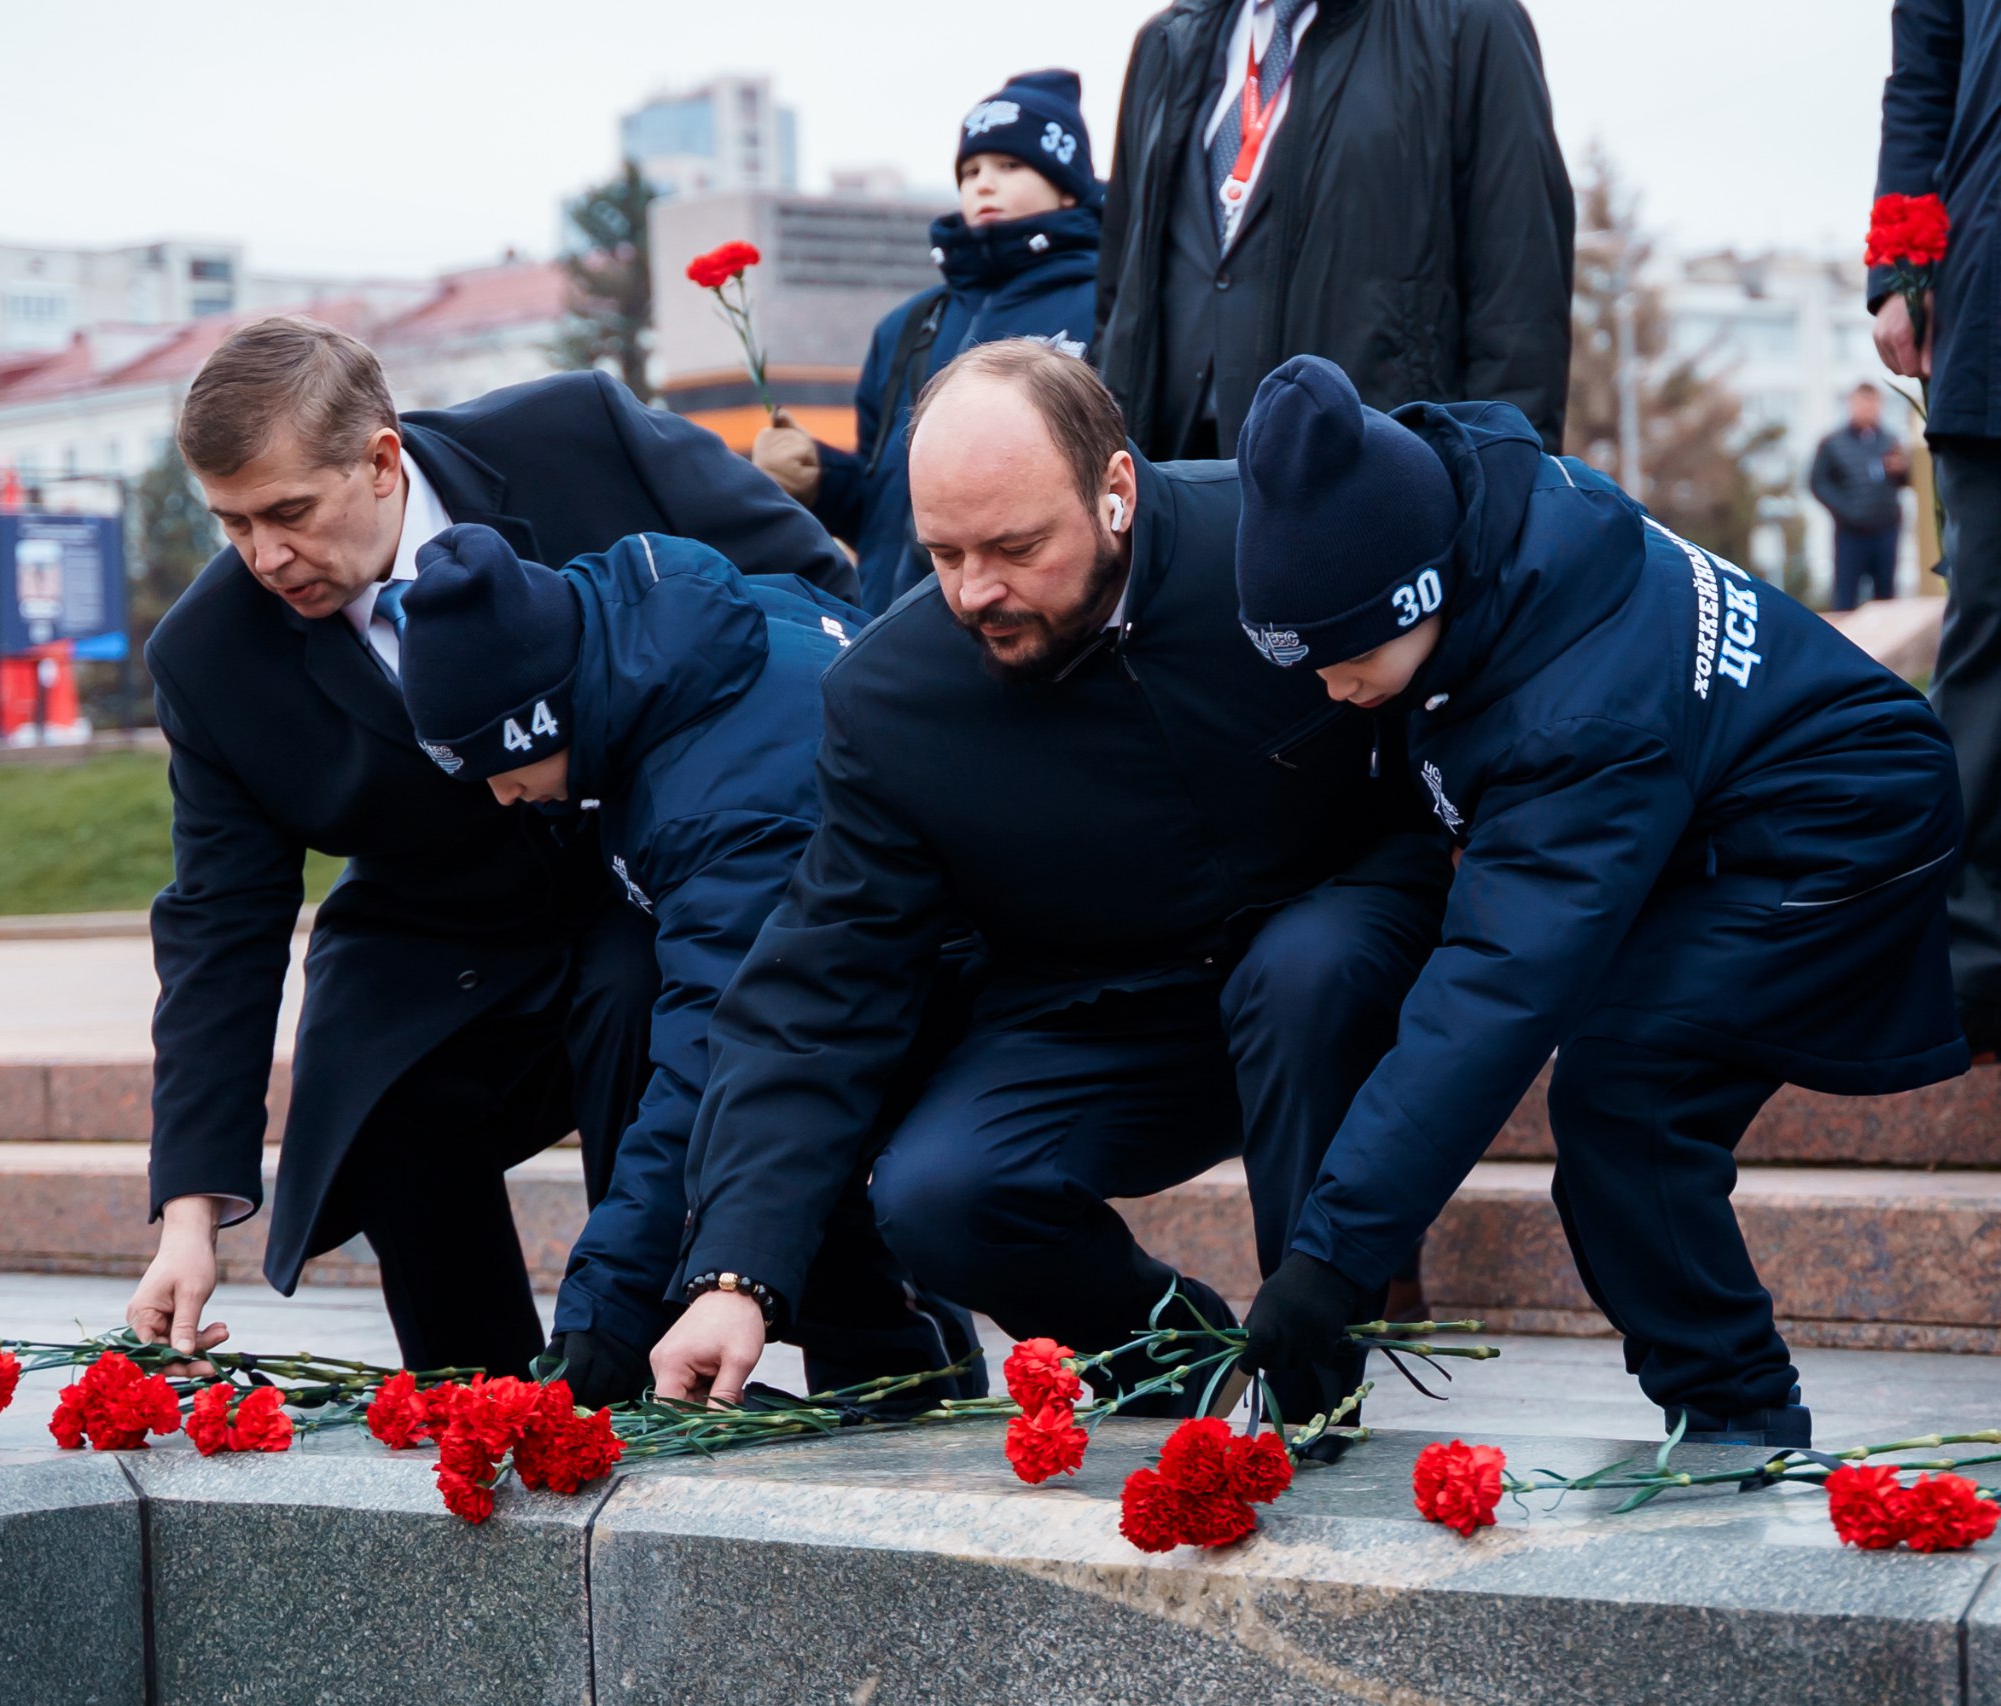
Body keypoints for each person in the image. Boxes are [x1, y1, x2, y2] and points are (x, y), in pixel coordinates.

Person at [649, 342, 1448, 1420]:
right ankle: (1184, 1363)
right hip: (1103, 1012)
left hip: (1340, 954)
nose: (976, 591)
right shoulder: (893, 699)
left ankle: (1312, 1399)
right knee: (939, 1192)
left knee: (1307, 971)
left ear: (1115, 490)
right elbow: (821, 986)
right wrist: (734, 1274)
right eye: (943, 553)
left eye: (1017, 547)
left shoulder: (1273, 538)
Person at [1230, 355, 1969, 1447]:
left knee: (1628, 1095)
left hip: (1840, 827)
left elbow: (1495, 993)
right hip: (1715, 813)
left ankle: (1740, 1420)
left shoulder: (1573, 711)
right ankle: (1727, 1400)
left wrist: (1331, 1256)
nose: (1331, 688)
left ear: (1420, 592)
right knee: (1617, 1082)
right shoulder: (1474, 515)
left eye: (1348, 656)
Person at [123, 317, 857, 1380]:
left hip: (662, 871)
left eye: (288, 513)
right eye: (231, 522)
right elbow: (218, 924)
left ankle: (640, 1369)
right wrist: (189, 1215)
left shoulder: (579, 434)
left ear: (382, 460)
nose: (263, 557)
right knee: (383, 1103)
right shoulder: (207, 655)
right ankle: (488, 1412)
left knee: (637, 999)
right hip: (434, 929)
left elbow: (811, 589)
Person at [395, 523, 980, 1406]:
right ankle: (903, 1393)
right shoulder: (682, 634)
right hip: (904, 950)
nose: (502, 795)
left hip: (957, 975)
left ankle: (912, 1405)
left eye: (503, 765)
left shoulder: (720, 803)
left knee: (778, 1157)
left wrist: (602, 1318)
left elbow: (717, 1059)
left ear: (547, 712)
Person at [1091, 0, 1573, 462]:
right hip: (1171, 476)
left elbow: (1519, 296)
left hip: (1374, 477)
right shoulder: (1166, 41)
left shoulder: (1471, 22)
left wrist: (1499, 485)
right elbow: (1119, 292)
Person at [752, 69, 1102, 612]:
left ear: (1067, 185)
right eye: (970, 170)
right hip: (887, 624)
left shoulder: (1111, 305)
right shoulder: (908, 325)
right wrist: (821, 478)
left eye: (1010, 165)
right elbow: (886, 506)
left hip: (1035, 623)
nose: (984, 183)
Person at [1876, 0, 2001, 1060]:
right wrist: (1899, 273)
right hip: (1989, 303)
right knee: (1988, 644)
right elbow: (1922, 75)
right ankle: (1972, 973)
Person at [1809, 382, 1911, 611]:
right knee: (1846, 599)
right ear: (1851, 404)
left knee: (1886, 598)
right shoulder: (1833, 443)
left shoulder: (1890, 441)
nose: (1868, 409)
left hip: (1885, 530)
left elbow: (1907, 480)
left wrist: (1901, 471)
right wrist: (1847, 510)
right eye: (1863, 403)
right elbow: (1818, 483)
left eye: (1873, 403)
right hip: (1851, 533)